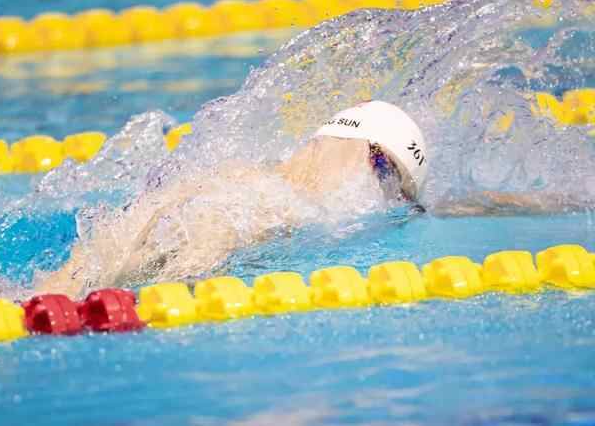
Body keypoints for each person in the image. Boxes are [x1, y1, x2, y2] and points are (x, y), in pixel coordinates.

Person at [34, 101, 577, 298]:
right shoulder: (306, 207)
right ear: (378, 163)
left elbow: (105, 245)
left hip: (171, 215)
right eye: (391, 185)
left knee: (74, 278)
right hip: (218, 232)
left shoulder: (238, 172)